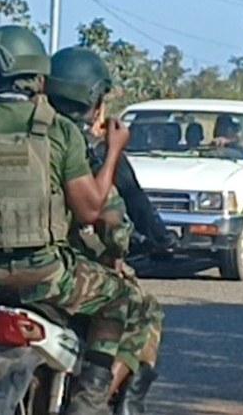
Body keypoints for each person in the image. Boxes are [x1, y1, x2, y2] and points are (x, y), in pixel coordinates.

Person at [0, 25, 154, 415]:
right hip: (47, 278)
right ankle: (88, 400)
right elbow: (89, 209)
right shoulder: (58, 130)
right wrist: (114, 150)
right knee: (123, 301)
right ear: (38, 79)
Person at [46, 46, 167, 414]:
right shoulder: (91, 152)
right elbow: (115, 220)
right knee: (142, 309)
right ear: (95, 103)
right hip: (65, 274)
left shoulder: (26, 138)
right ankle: (107, 401)